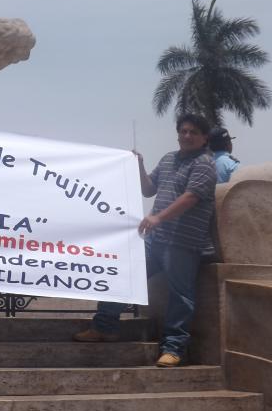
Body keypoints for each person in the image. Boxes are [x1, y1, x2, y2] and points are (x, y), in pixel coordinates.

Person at [73, 114, 217, 368]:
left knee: (180, 296)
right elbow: (149, 189)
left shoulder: (204, 163)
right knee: (124, 276)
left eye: (193, 132)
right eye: (183, 131)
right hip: (157, 239)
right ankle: (104, 326)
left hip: (183, 243)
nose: (187, 136)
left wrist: (158, 217)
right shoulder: (169, 159)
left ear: (204, 137)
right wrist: (137, 165)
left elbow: (191, 198)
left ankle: (173, 348)